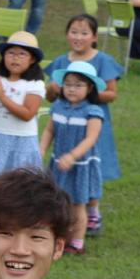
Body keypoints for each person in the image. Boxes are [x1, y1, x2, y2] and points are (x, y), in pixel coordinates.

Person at [44, 14, 124, 236]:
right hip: (66, 125)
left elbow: (112, 94)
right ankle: (68, 213)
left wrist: (87, 94)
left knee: (91, 167)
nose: (78, 37)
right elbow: (50, 97)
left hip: (92, 123)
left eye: (84, 33)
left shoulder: (103, 60)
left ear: (94, 37)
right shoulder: (61, 62)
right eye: (74, 32)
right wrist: (52, 90)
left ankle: (93, 211)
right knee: (65, 168)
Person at [40, 61, 105, 255]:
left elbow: (91, 138)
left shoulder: (92, 112)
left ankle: (77, 242)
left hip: (80, 165)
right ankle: (59, 235)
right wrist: (41, 149)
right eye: (67, 84)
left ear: (90, 88)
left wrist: (72, 156)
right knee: (57, 202)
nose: (71, 89)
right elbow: (49, 130)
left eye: (78, 85)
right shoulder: (58, 107)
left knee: (77, 204)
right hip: (58, 163)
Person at [0, 31, 45, 183]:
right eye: (10, 53)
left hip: (22, 141)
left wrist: (2, 97)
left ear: (32, 59)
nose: (15, 58)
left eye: (22, 54)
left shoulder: (34, 84)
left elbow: (27, 114)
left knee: (20, 186)